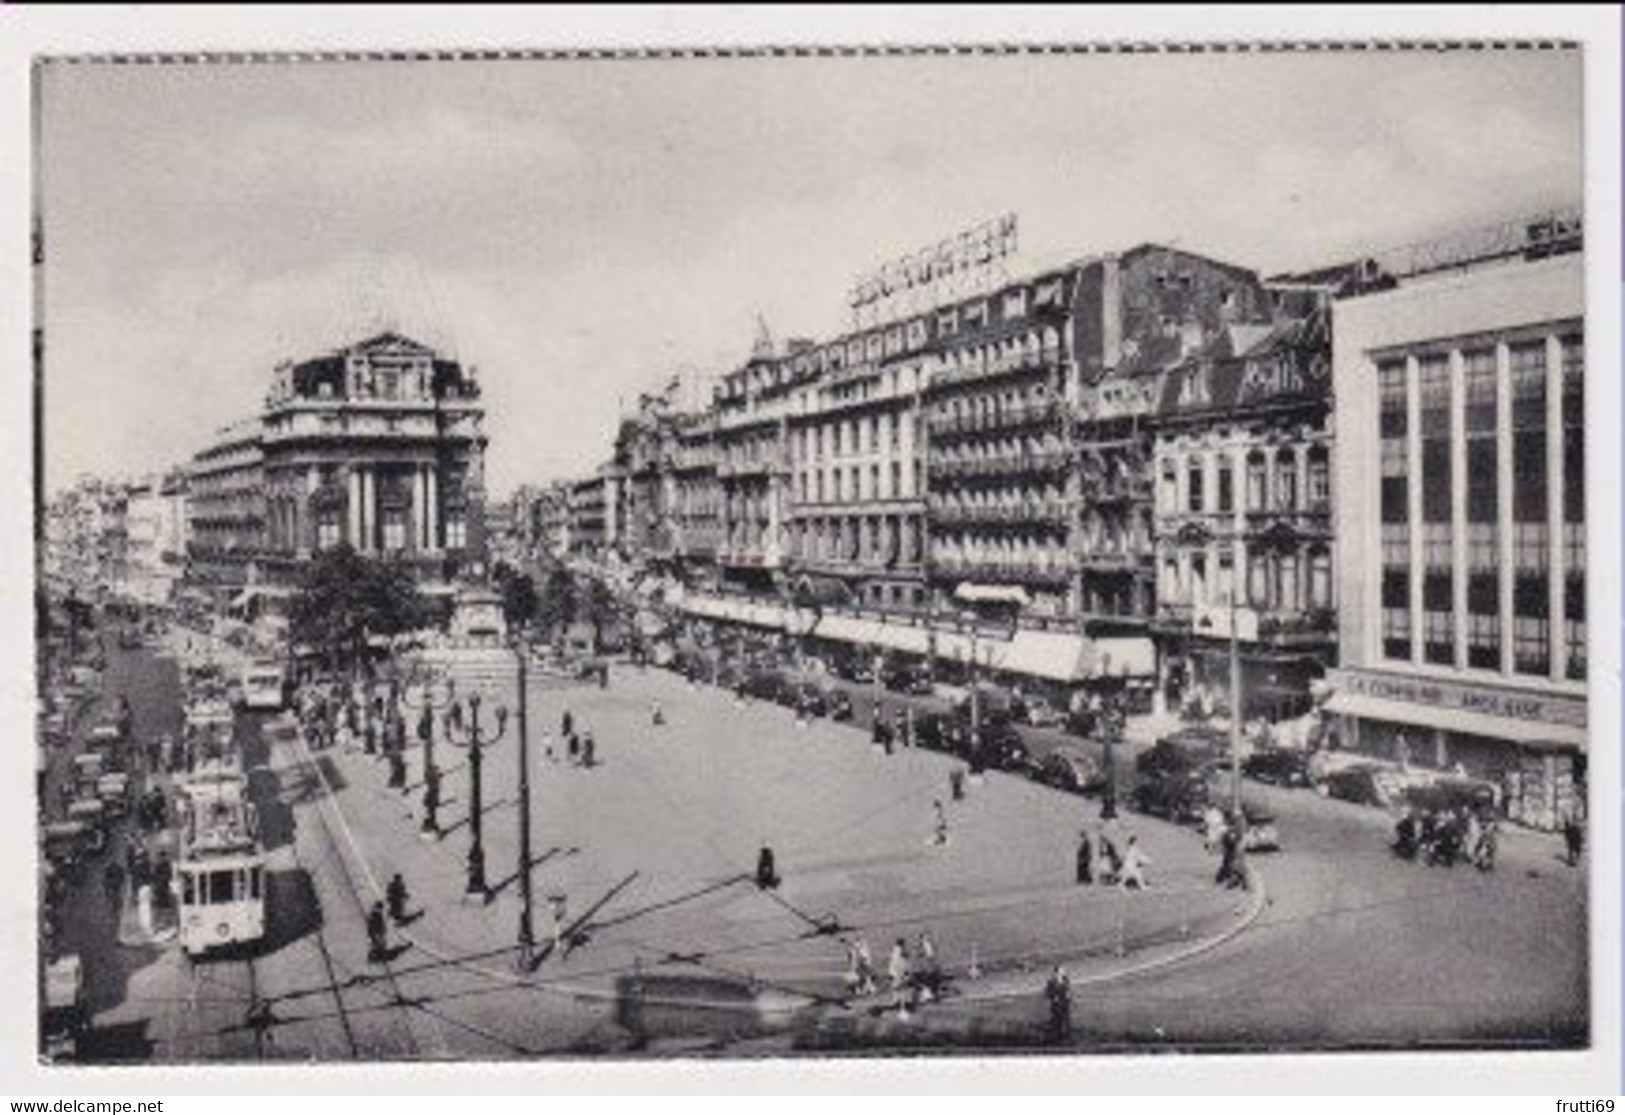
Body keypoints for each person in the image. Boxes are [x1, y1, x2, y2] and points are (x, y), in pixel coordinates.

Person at [1044, 965, 1073, 1045]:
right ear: (1056, 973)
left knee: (1066, 1020)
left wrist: (1068, 995)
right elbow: (1047, 992)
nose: (1063, 972)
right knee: (1056, 1021)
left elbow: (1068, 989)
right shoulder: (1051, 982)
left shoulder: (1065, 980)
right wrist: (1053, 997)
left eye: (1063, 971)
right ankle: (1056, 1037)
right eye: (1061, 971)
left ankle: (1067, 1036)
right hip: (1056, 1005)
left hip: (1065, 1003)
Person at [887, 938, 912, 1018]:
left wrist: (891, 973)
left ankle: (898, 1004)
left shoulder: (896, 951)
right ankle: (902, 1009)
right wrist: (906, 973)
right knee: (902, 991)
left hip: (898, 973)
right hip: (899, 973)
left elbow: (893, 963)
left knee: (899, 990)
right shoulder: (899, 951)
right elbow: (900, 961)